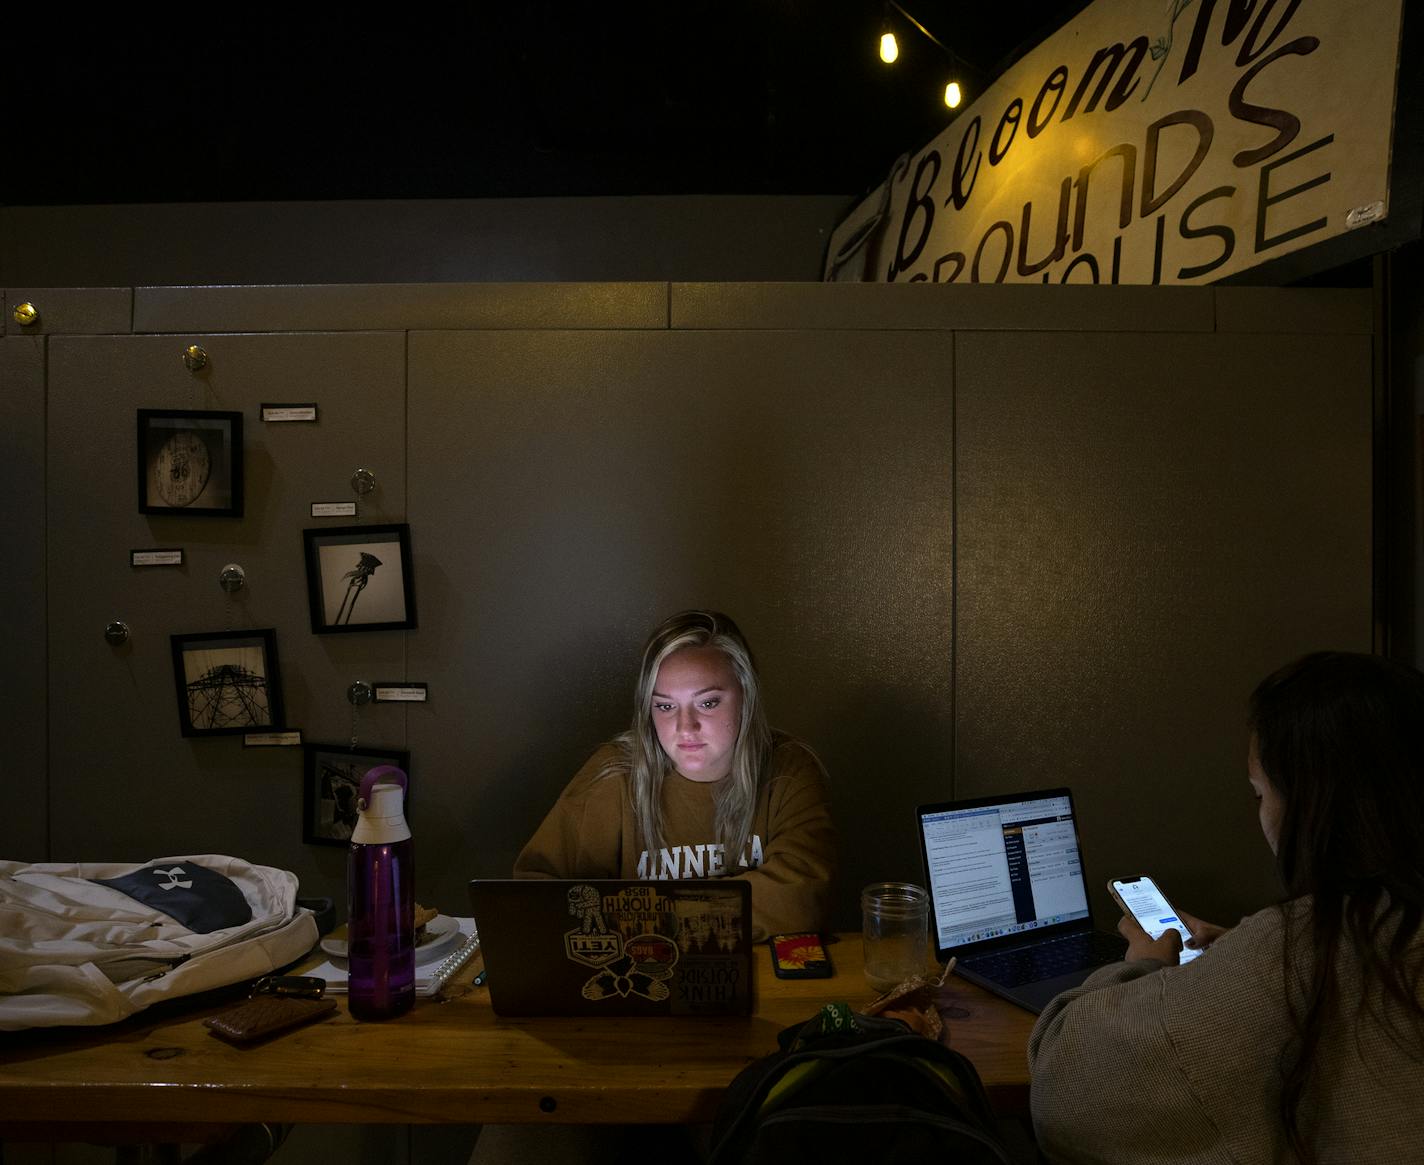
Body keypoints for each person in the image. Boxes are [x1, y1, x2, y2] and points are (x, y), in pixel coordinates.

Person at [1028, 651, 1424, 1163]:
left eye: (1260, 795)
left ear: (1313, 803)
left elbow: (1066, 1090)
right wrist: (1243, 948)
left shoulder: (1299, 952)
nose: (1262, 816)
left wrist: (1143, 965)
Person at [515, 609, 835, 941]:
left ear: (746, 696)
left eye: (708, 703)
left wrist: (639, 917)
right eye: (665, 706)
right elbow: (534, 891)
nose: (685, 727)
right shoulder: (614, 773)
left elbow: (800, 899)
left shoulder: (788, 768)